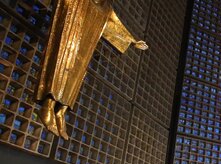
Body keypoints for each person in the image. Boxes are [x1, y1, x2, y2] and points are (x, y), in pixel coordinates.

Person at [36, 0, 148, 139]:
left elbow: (113, 23)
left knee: (76, 75)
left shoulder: (104, 7)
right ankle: (48, 104)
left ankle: (61, 112)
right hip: (68, 30)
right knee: (61, 61)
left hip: (85, 44)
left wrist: (132, 41)